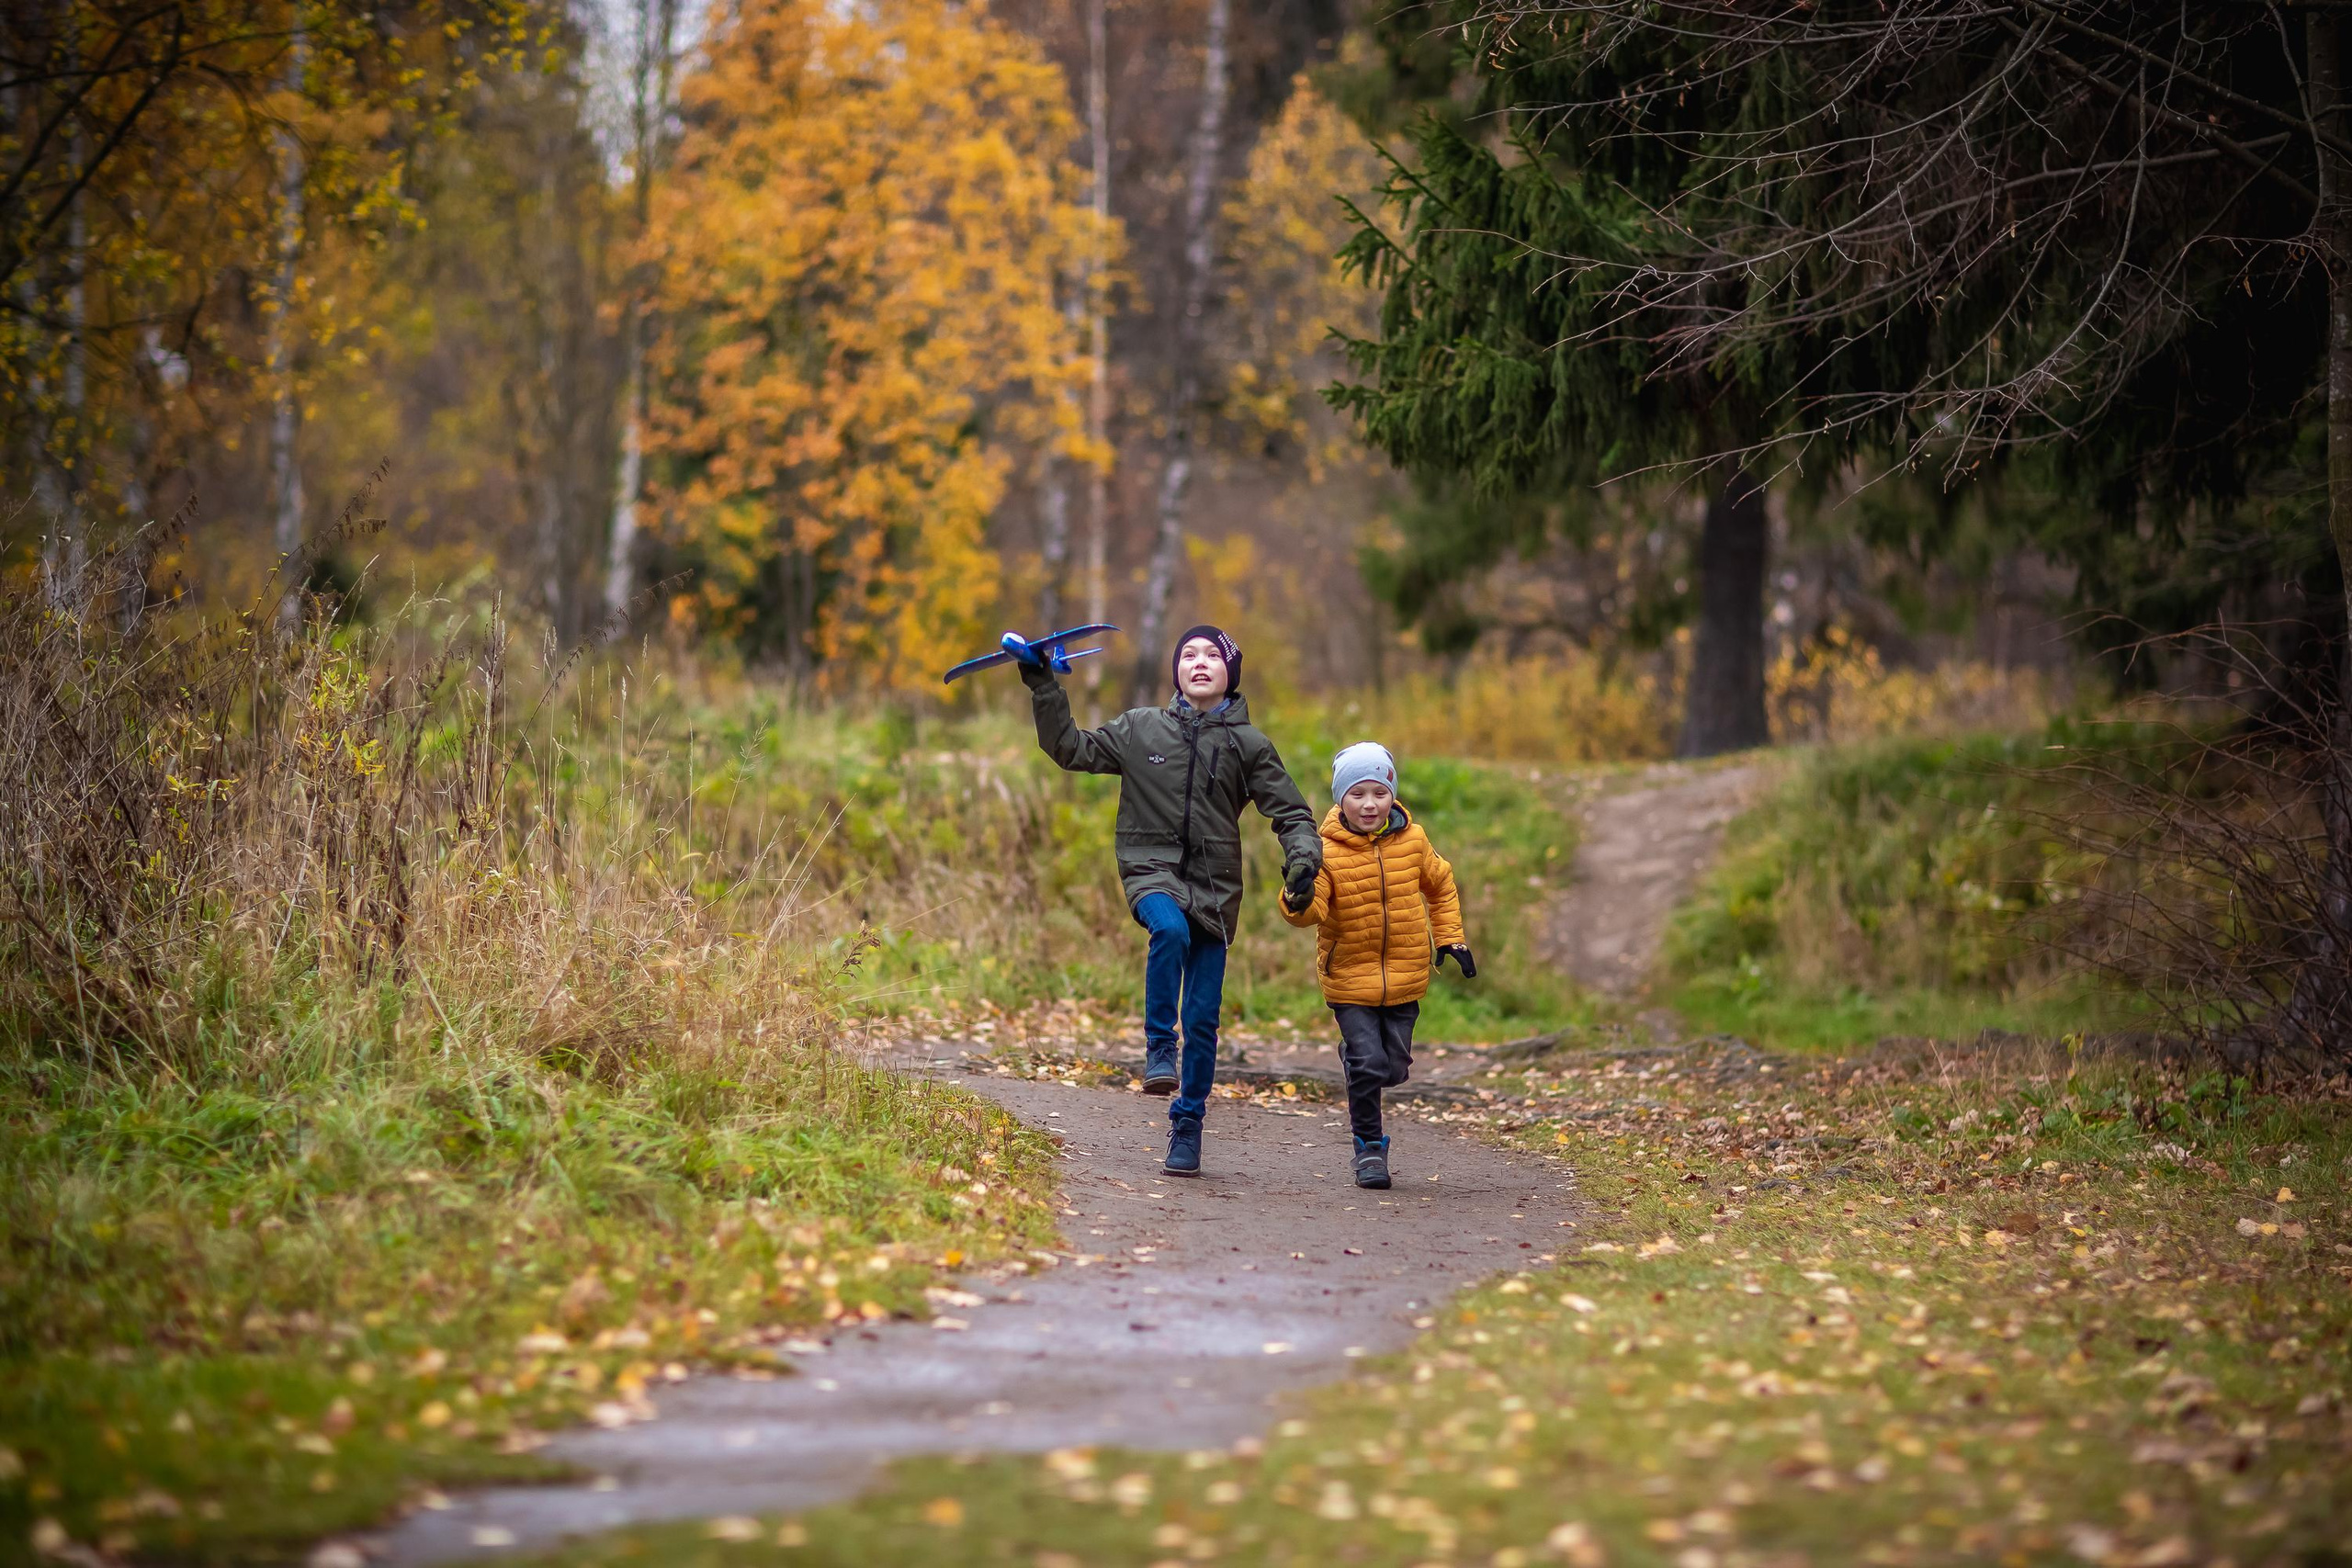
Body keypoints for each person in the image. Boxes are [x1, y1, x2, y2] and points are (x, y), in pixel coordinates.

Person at [1018, 626, 1320, 1176]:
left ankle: (1188, 1125)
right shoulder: (1140, 728)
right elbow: (1070, 749)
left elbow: (1293, 814)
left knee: (1203, 1019)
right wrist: (1044, 686)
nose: (1199, 662)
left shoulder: (1249, 745)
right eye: (1188, 655)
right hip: (1149, 869)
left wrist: (1303, 858)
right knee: (1169, 929)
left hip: (1216, 887)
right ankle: (1160, 1047)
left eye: (1212, 655)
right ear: (1176, 671)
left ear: (1231, 671)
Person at [1280, 741, 1475, 1190]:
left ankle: (1358, 1060)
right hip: (1349, 979)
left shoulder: (1414, 840)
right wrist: (1296, 893)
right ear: (1340, 799)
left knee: (1394, 1069)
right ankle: (1369, 1149)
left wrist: (1450, 937)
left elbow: (1440, 884)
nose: (1369, 804)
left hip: (1407, 975)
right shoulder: (1324, 851)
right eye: (1357, 794)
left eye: (1379, 793)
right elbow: (1311, 913)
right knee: (1369, 1065)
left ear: (1392, 795)